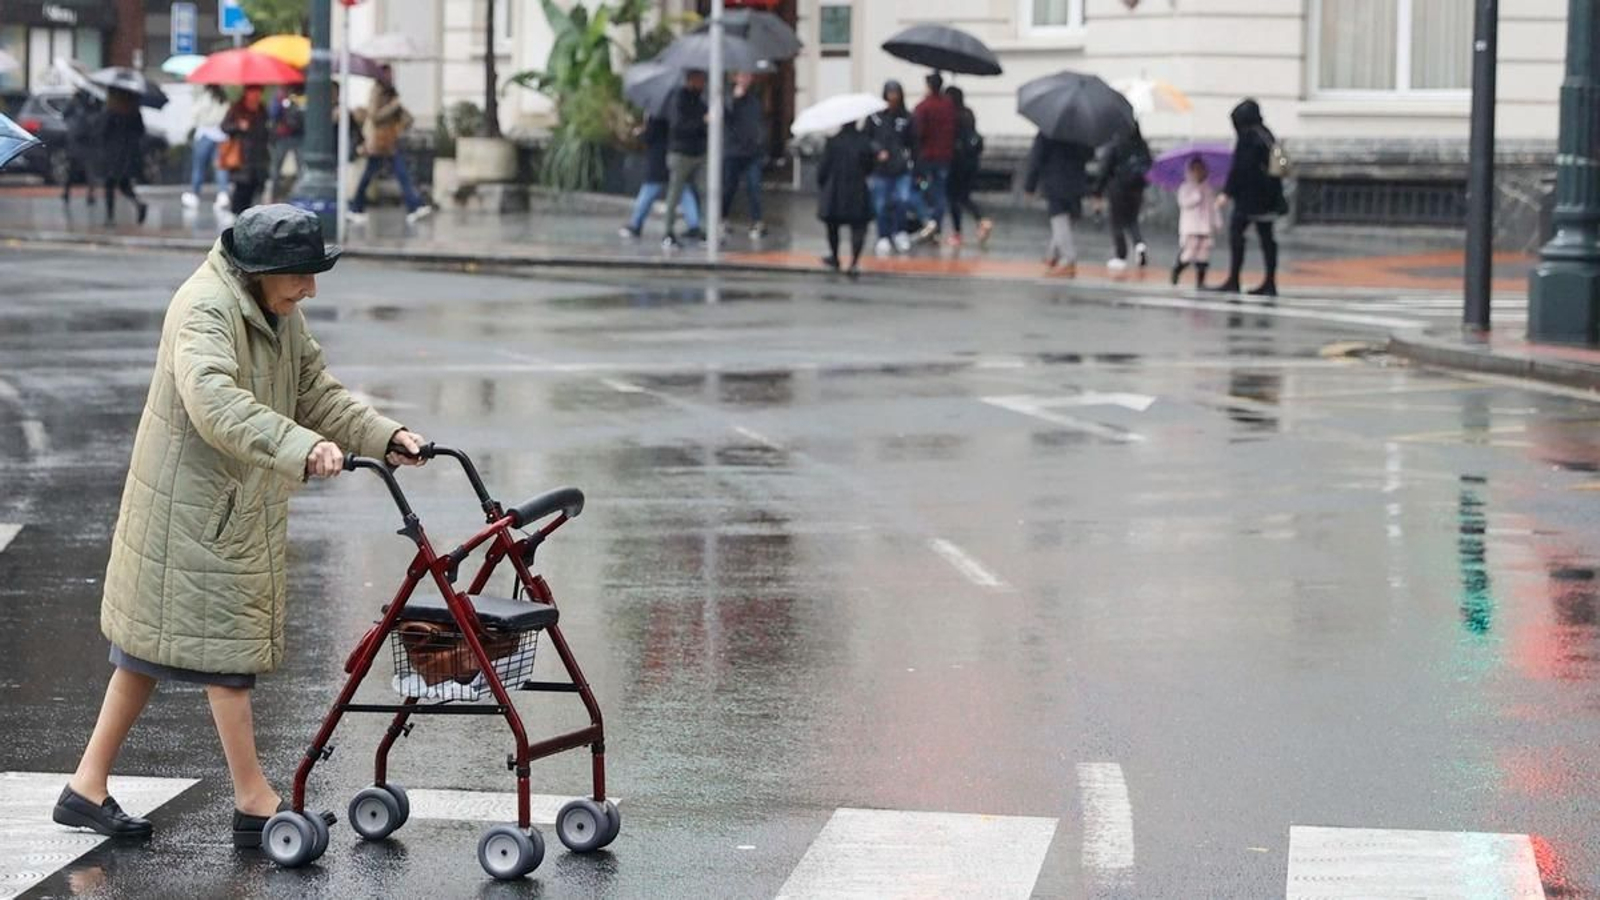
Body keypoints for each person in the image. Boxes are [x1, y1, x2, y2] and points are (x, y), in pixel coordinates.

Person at [51, 204, 428, 846]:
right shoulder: (204, 309)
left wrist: (384, 435)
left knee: (145, 653)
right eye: (301, 276)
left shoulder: (275, 309)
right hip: (197, 508)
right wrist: (300, 447)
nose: (310, 288)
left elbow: (316, 391)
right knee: (226, 655)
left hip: (223, 502)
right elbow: (214, 401)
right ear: (260, 270)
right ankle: (255, 801)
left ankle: (86, 786)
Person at [1213, 98, 1286, 297]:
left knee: (1237, 233)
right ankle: (1270, 282)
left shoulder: (1247, 138)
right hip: (1269, 195)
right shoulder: (1267, 135)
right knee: (1267, 238)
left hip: (1249, 197)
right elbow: (1281, 164)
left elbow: (1240, 168)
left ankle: (1234, 278)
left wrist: (1227, 193)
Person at [348, 65, 432, 225]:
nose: (391, 76)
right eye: (388, 74)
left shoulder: (392, 92)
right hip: (378, 142)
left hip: (390, 142)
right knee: (370, 176)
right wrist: (392, 106)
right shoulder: (377, 91)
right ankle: (355, 207)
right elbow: (374, 116)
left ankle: (413, 206)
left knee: (401, 175)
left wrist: (401, 118)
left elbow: (406, 118)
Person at [619, 115, 701, 239]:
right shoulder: (678, 106)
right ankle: (694, 225)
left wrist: (640, 133)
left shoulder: (657, 113)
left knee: (649, 191)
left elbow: (650, 136)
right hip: (678, 153)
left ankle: (635, 224)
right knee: (684, 190)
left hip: (658, 158)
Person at [1024, 133, 1093, 278]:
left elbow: (1036, 158)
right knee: (1067, 221)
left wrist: (1030, 186)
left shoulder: (1047, 132)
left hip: (1054, 182)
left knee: (1059, 220)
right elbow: (1089, 154)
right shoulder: (1081, 132)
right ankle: (1052, 254)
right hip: (1076, 182)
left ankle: (1069, 260)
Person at [816, 120, 874, 278]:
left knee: (833, 226)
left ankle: (835, 256)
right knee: (859, 227)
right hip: (858, 188)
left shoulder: (833, 142)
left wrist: (822, 184)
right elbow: (870, 165)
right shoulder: (864, 141)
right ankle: (854, 261)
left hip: (836, 190)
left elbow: (823, 167)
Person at [865, 79, 917, 256]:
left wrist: (910, 159)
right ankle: (883, 236)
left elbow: (913, 141)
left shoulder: (906, 117)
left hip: (901, 168)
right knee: (880, 204)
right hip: (880, 169)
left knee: (902, 200)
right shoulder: (875, 117)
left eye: (895, 93)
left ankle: (900, 232)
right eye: (890, 93)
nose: (893, 97)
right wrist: (876, 151)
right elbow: (867, 138)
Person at [1094, 122, 1152, 271]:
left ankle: (1121, 256)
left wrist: (1097, 190)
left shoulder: (1116, 144)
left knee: (1117, 222)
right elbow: (1149, 165)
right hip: (1136, 189)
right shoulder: (1141, 145)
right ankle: (1139, 245)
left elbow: (1105, 168)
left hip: (1117, 189)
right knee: (1132, 220)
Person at [662, 69, 709, 249]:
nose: (702, 84)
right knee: (675, 192)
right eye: (700, 80)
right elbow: (679, 125)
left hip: (698, 152)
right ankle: (668, 231)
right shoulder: (679, 99)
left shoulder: (700, 100)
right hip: (681, 152)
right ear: (691, 80)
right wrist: (702, 121)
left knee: (705, 191)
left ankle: (704, 229)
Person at [910, 73, 957, 245]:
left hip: (927, 156)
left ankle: (928, 221)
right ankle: (936, 228)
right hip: (945, 156)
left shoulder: (923, 107)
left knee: (920, 189)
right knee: (940, 193)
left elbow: (917, 132)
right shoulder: (948, 105)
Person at [944, 85, 992, 249]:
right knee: (964, 196)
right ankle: (981, 220)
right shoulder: (968, 113)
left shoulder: (952, 116)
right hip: (971, 162)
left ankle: (957, 233)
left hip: (956, 162)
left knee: (953, 198)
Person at [721, 71, 767, 239]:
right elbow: (725, 118)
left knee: (754, 187)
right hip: (733, 151)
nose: (746, 79)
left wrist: (760, 139)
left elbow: (757, 121)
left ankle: (757, 221)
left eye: (748, 76)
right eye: (742, 76)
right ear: (735, 78)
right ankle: (722, 217)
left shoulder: (754, 100)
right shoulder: (728, 97)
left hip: (752, 152)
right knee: (729, 187)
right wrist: (734, 100)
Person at [99, 88, 148, 226]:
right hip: (129, 153)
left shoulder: (111, 111)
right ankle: (139, 204)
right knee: (124, 185)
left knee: (109, 185)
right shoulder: (134, 111)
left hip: (113, 153)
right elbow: (141, 131)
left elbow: (103, 131)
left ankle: (109, 217)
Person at [1172, 156, 1223, 288]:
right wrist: (1196, 196)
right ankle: (1177, 269)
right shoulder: (1185, 187)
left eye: (1201, 170)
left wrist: (1217, 222)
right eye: (1195, 170)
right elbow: (1184, 203)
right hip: (1191, 227)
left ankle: (1201, 282)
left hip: (1205, 227)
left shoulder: (1208, 188)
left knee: (1203, 255)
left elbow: (1213, 207)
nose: (1198, 173)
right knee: (1189, 252)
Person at [221, 84, 270, 216]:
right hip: (241, 155)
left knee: (256, 186)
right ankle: (236, 214)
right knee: (242, 188)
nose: (255, 96)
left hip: (259, 155)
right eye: (253, 92)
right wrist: (238, 126)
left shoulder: (262, 108)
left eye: (258, 92)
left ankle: (249, 215)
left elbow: (266, 129)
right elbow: (224, 126)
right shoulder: (237, 108)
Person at [183, 85, 231, 210]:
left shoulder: (205, 97)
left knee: (199, 167)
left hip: (205, 134)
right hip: (221, 135)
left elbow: (196, 114)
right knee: (220, 167)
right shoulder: (224, 98)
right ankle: (223, 193)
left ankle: (195, 194)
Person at [61, 89, 102, 209]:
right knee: (80, 169)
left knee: (82, 169)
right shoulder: (83, 104)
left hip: (82, 142)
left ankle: (83, 193)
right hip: (82, 142)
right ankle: (72, 192)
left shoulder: (83, 105)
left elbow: (65, 116)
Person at [267, 87, 305, 202]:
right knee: (276, 168)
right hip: (284, 135)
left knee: (300, 168)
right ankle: (274, 196)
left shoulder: (302, 95)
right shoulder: (281, 95)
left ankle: (298, 196)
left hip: (297, 134)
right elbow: (273, 113)